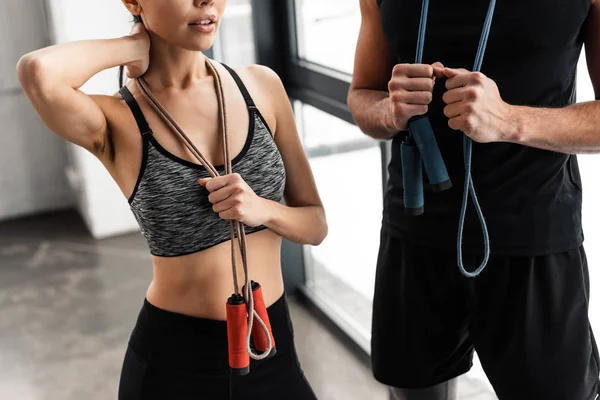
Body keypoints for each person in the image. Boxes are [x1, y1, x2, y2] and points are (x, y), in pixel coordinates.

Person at [16, 0, 327, 399]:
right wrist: (132, 46)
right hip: (177, 365)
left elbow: (316, 224)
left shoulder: (260, 86)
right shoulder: (117, 119)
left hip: (271, 343)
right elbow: (37, 72)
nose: (206, 1)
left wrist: (262, 209)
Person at [348, 0, 600, 399]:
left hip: (532, 234)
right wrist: (390, 110)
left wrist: (510, 120)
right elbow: (362, 95)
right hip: (415, 228)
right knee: (411, 391)